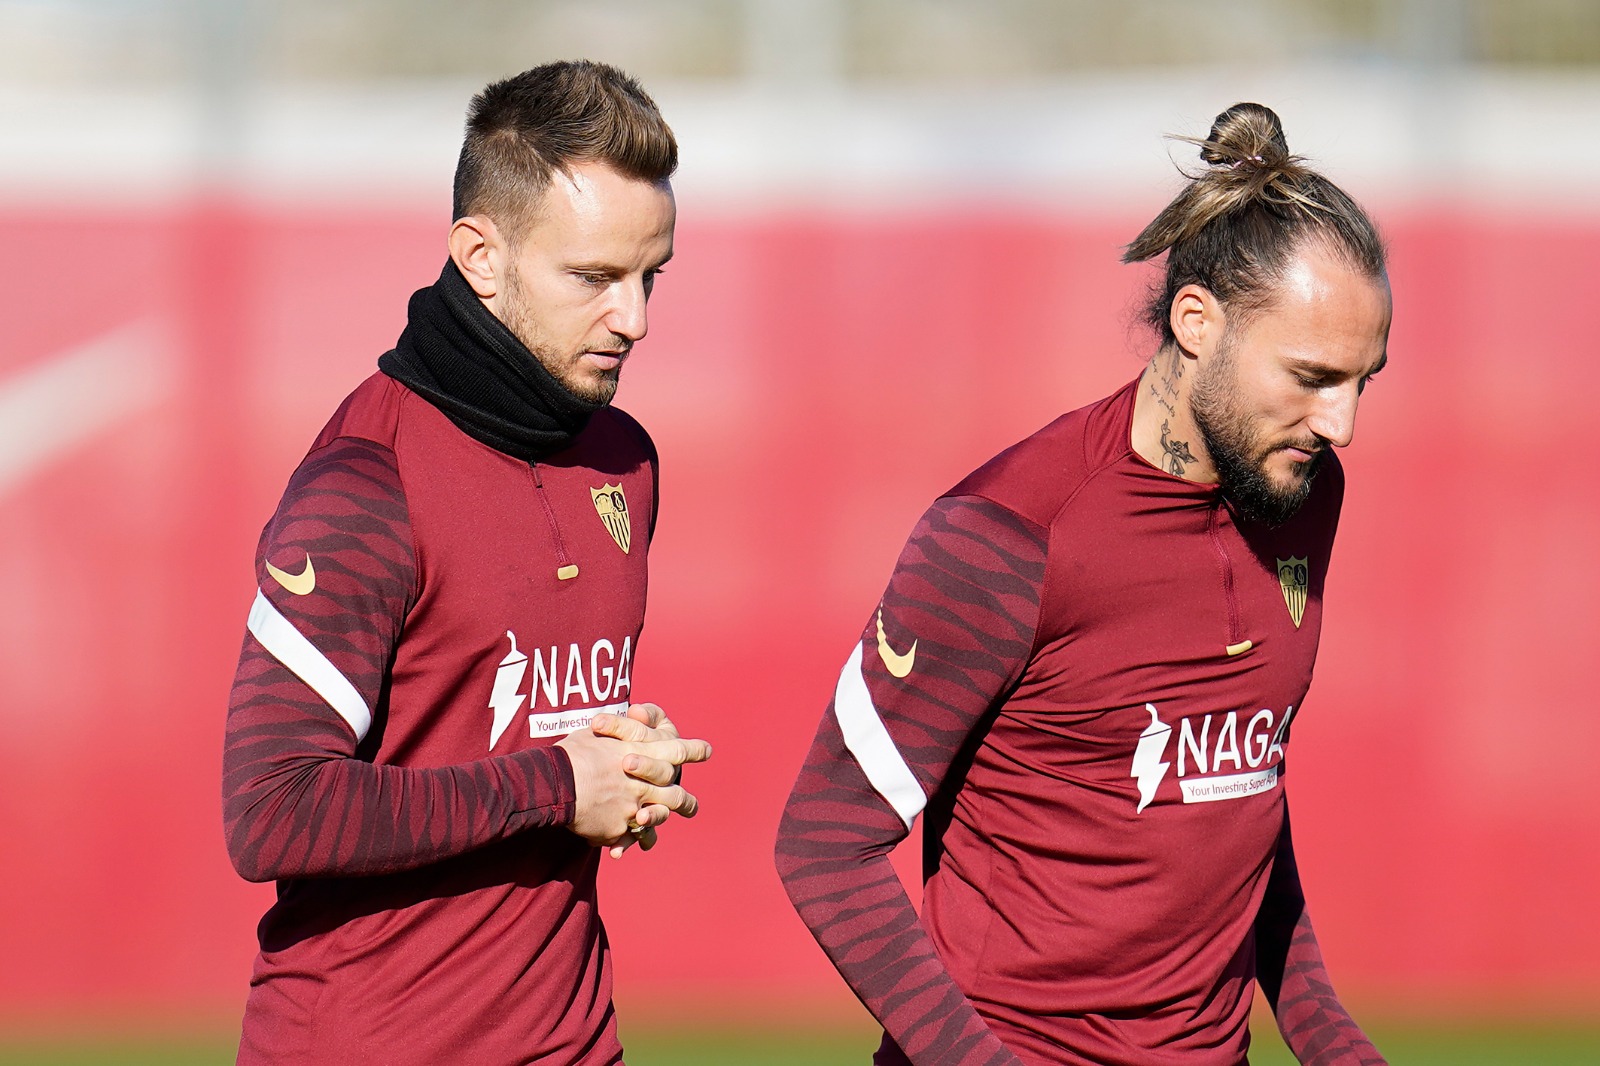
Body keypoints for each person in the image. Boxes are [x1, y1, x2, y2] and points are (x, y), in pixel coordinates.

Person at [775, 103, 1391, 1066]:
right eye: (1312, 375)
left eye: (1364, 380)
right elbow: (824, 844)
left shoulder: (1304, 490)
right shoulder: (1007, 533)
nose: (1342, 422)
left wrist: (1326, 1036)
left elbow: (1233, 795)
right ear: (1197, 322)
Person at [222, 60, 711, 1066]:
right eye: (593, 278)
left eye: (648, 275)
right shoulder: (364, 484)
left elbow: (507, 720)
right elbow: (271, 811)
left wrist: (613, 753)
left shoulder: (625, 461)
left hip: (574, 1040)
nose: (636, 319)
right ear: (480, 256)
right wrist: (558, 784)